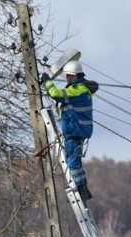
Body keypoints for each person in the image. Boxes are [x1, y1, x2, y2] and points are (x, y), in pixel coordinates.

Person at [40, 60, 99, 203]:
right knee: (74, 161)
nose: (68, 78)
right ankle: (82, 189)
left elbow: (55, 93)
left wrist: (47, 81)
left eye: (70, 76)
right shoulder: (81, 89)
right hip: (75, 131)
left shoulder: (78, 90)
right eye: (67, 76)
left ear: (78, 75)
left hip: (75, 131)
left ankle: (80, 191)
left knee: (72, 162)